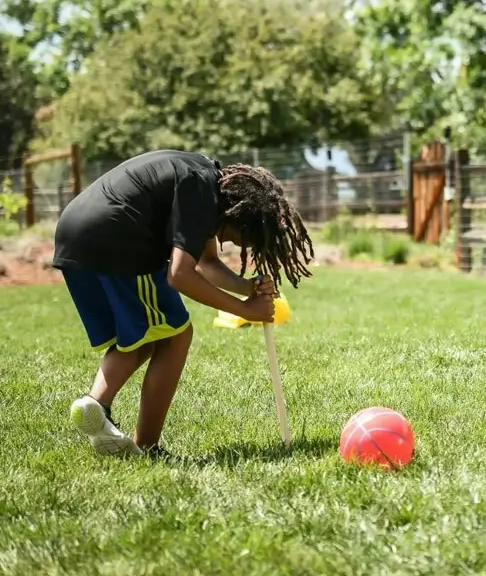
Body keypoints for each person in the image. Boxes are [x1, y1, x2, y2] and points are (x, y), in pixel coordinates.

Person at [52, 150, 314, 458]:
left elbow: (207, 262)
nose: (230, 244)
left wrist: (247, 288)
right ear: (238, 218)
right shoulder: (202, 193)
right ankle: (147, 447)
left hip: (74, 233)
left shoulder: (206, 183)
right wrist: (245, 310)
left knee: (145, 338)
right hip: (117, 234)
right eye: (239, 239)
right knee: (176, 335)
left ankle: (96, 406)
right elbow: (179, 275)